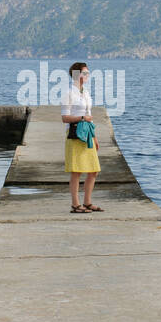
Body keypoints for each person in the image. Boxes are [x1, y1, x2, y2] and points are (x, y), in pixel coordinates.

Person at [60, 61, 102, 213]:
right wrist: (82, 118)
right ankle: (75, 204)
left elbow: (89, 116)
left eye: (88, 72)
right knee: (76, 171)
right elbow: (65, 118)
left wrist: (95, 137)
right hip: (75, 134)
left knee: (93, 170)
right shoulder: (69, 94)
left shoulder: (86, 93)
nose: (88, 75)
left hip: (88, 133)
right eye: (85, 73)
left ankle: (88, 202)